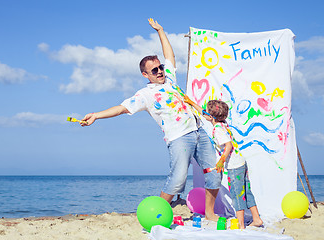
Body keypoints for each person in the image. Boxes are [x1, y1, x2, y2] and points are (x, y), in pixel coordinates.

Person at [80, 18, 221, 221]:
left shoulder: (170, 80)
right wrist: (96, 115)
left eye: (160, 67)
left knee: (214, 172)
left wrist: (161, 31)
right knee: (178, 179)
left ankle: (209, 213)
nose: (160, 71)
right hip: (179, 138)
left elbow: (169, 55)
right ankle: (157, 214)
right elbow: (122, 108)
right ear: (146, 74)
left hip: (199, 131)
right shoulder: (145, 94)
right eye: (155, 70)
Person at [184, 97, 263, 228]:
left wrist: (221, 161)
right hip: (241, 161)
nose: (204, 114)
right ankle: (257, 219)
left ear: (211, 117)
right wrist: (191, 103)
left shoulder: (218, 130)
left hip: (234, 166)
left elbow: (228, 145)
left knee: (237, 194)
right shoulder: (223, 123)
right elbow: (203, 113)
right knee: (247, 191)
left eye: (207, 113)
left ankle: (241, 224)